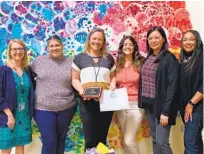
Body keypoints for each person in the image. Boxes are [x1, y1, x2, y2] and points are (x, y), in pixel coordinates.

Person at [30, 35, 77, 154]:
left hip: (66, 108)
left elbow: (76, 81)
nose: (54, 48)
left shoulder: (71, 62)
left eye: (57, 45)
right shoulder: (39, 61)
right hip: (43, 109)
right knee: (49, 142)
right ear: (47, 48)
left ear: (62, 46)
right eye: (51, 46)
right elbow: (29, 80)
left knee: (61, 140)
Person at [72, 28, 116, 151]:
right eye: (94, 38)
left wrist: (113, 85)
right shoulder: (79, 58)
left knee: (102, 136)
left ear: (103, 42)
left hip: (106, 102)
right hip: (86, 101)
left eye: (100, 39)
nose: (96, 41)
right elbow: (75, 79)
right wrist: (81, 91)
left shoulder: (109, 58)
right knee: (90, 137)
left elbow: (113, 77)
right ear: (89, 40)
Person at [138, 26, 179, 154]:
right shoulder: (148, 57)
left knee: (162, 142)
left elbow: (173, 86)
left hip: (162, 106)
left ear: (163, 39)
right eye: (150, 38)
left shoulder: (169, 58)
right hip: (148, 104)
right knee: (155, 139)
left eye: (157, 37)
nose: (153, 40)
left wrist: (166, 111)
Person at [0, 39, 34, 154]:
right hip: (7, 115)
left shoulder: (27, 70)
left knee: (20, 145)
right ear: (10, 52)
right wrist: (9, 115)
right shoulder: (3, 70)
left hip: (24, 115)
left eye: (21, 49)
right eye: (14, 49)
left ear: (24, 51)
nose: (18, 52)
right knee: (6, 146)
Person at [114, 35, 144, 154]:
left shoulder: (140, 63)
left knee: (129, 140)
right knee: (125, 138)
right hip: (121, 105)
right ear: (121, 47)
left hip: (136, 105)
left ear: (135, 47)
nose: (128, 47)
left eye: (131, 44)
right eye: (125, 44)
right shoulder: (117, 63)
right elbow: (112, 80)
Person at [179, 30, 203, 154]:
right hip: (186, 107)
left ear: (197, 41)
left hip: (196, 107)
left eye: (192, 39)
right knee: (195, 141)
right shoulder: (182, 60)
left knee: (189, 142)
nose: (188, 42)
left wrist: (191, 103)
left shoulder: (201, 58)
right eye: (185, 39)